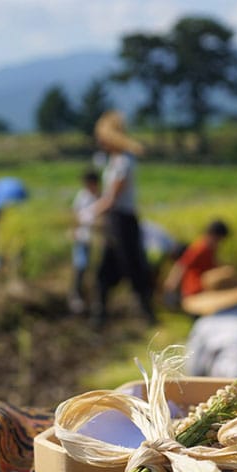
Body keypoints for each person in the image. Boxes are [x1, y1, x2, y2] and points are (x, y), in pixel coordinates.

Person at [87, 110, 156, 326]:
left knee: (133, 266)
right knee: (106, 268)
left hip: (123, 221)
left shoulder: (124, 162)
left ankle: (147, 314)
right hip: (114, 222)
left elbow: (112, 198)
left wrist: (90, 211)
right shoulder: (114, 161)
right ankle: (100, 315)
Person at [163, 219, 230, 307]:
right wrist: (172, 283)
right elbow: (182, 265)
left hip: (203, 289)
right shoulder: (199, 248)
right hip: (194, 291)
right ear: (213, 235)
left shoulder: (210, 249)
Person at [69, 169, 101, 314]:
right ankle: (76, 296)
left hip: (96, 240)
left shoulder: (101, 197)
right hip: (83, 237)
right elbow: (75, 215)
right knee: (81, 266)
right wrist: (74, 230)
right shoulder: (82, 196)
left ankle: (93, 299)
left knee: (95, 271)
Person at [0, 176, 28, 274]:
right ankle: (16, 259)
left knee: (0, 233)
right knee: (19, 233)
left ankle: (8, 260)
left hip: (18, 195)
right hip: (20, 193)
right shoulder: (7, 190)